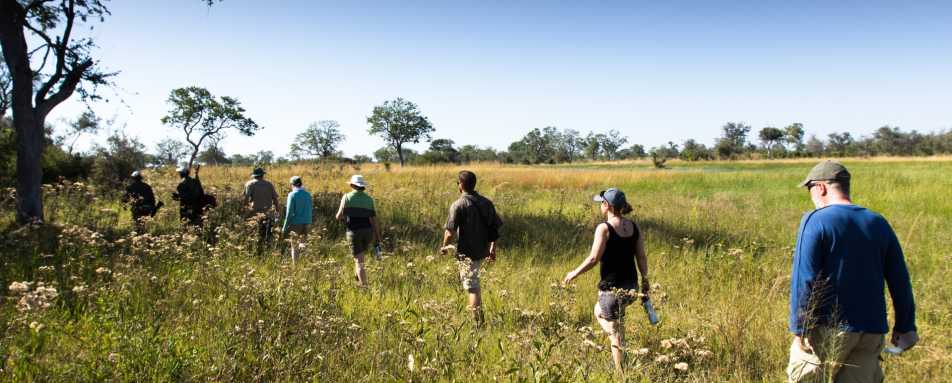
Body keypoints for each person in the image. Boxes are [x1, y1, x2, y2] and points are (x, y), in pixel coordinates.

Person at [787, 160, 917, 383]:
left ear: (820, 188)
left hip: (827, 330)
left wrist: (800, 326)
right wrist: (906, 325)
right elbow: (900, 279)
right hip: (871, 331)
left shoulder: (815, 220)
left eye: (809, 189)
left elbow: (805, 277)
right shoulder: (878, 223)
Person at [563, 188, 650, 373]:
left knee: (610, 326)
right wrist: (645, 280)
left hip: (611, 290)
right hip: (632, 288)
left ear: (607, 206)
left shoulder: (604, 228)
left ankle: (621, 372)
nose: (600, 206)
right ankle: (618, 335)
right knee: (612, 317)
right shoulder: (634, 227)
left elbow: (593, 259)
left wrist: (574, 273)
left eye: (601, 202)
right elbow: (641, 257)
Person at [440, 170, 502, 328]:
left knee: (472, 288)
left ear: (460, 185)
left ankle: (478, 324)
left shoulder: (458, 204)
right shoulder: (486, 202)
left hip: (467, 254)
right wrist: (492, 249)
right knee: (473, 284)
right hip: (483, 251)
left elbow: (450, 231)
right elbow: (494, 229)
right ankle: (477, 317)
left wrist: (444, 247)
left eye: (457, 183)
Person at [335, 175, 381, 287]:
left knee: (359, 262)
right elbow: (374, 221)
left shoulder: (346, 197)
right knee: (360, 259)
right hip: (368, 232)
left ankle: (364, 287)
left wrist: (345, 218)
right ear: (363, 187)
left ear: (352, 185)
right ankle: (358, 279)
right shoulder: (369, 200)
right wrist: (378, 237)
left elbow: (338, 216)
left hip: (354, 232)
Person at [244, 167, 281, 245]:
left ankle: (255, 249)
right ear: (262, 175)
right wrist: (277, 212)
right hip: (267, 214)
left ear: (254, 175)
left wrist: (245, 212)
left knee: (254, 233)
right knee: (266, 233)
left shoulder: (249, 184)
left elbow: (246, 199)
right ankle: (266, 248)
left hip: (254, 214)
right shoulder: (269, 184)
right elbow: (275, 199)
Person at [282, 176, 313, 263]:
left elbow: (289, 213)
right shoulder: (308, 194)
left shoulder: (292, 195)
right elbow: (310, 208)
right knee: (303, 246)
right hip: (307, 222)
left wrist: (284, 227)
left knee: (294, 247)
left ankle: (295, 268)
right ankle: (306, 265)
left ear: (292, 184)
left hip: (296, 223)